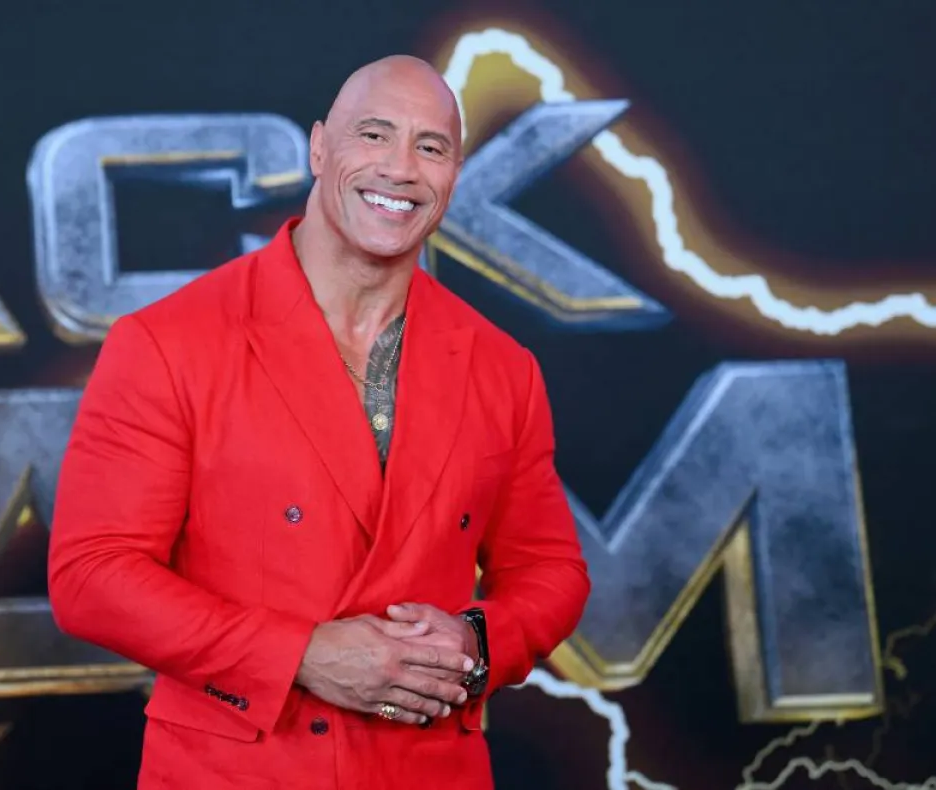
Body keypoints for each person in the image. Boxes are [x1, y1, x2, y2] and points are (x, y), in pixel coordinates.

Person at [47, 54, 590, 790]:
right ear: (318, 148)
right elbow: (92, 574)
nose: (401, 168)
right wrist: (299, 654)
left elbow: (549, 570)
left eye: (431, 147)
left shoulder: (503, 367)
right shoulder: (168, 342)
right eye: (374, 134)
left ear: (454, 174)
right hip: (234, 772)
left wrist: (477, 641)